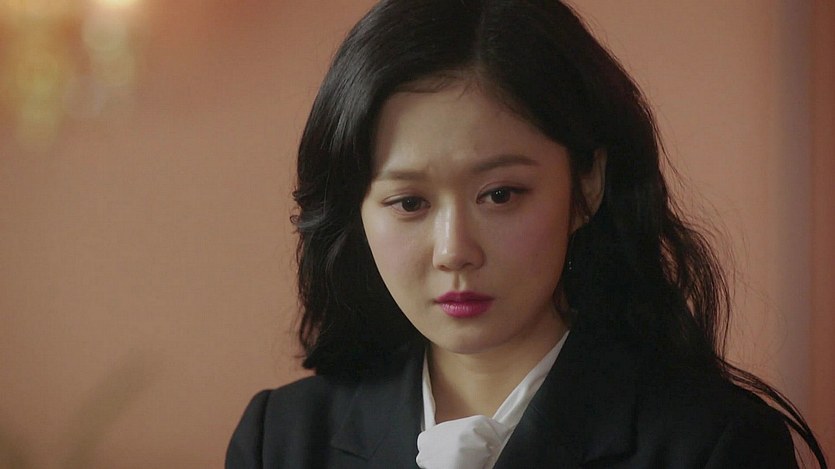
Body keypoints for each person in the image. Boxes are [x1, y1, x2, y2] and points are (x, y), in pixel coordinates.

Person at [226, 0, 828, 467]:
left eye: (501, 195)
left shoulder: (711, 445)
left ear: (586, 186)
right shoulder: (281, 441)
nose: (455, 250)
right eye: (409, 202)